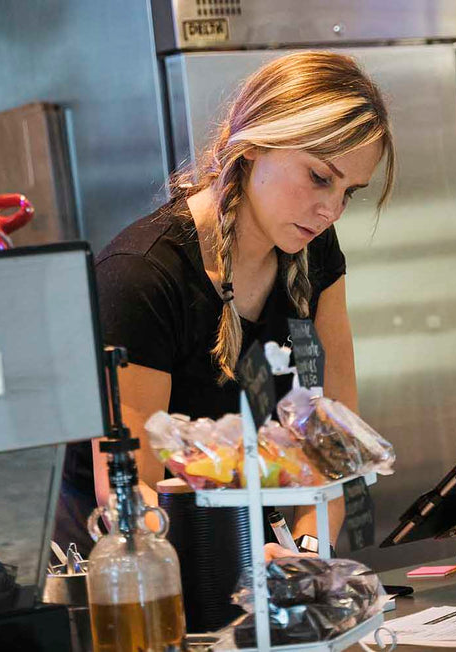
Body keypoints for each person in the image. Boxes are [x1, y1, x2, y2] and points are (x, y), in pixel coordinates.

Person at [57, 50, 395, 560]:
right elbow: (131, 495)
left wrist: (306, 555)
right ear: (257, 145)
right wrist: (240, 568)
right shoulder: (141, 275)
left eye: (350, 192)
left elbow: (337, 445)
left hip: (261, 554)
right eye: (320, 177)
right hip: (137, 566)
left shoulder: (312, 249)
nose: (330, 210)